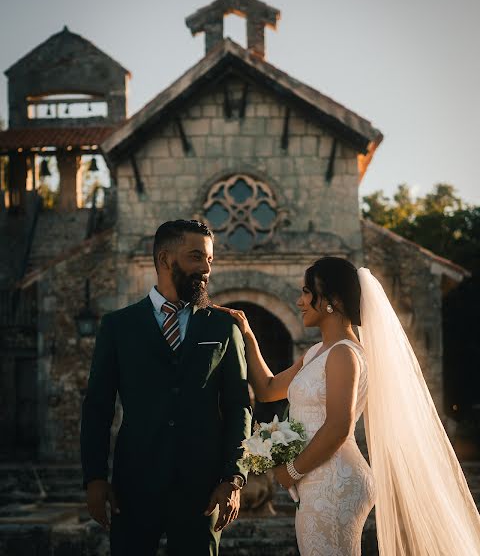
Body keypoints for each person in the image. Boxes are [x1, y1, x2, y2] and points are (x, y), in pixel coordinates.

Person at [219, 257, 480, 555]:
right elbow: (267, 390)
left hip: (336, 480)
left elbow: (339, 426)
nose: (300, 301)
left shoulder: (345, 354)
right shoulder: (317, 352)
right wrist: (247, 334)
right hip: (318, 479)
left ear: (333, 301)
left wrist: (290, 471)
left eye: (307, 292)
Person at [80, 219, 251, 556]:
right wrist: (95, 478)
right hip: (133, 484)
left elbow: (238, 406)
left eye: (209, 260)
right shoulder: (118, 326)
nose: (205, 268)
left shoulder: (223, 326)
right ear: (164, 259)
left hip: (202, 488)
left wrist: (234, 476)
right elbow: (98, 405)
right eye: (195, 257)